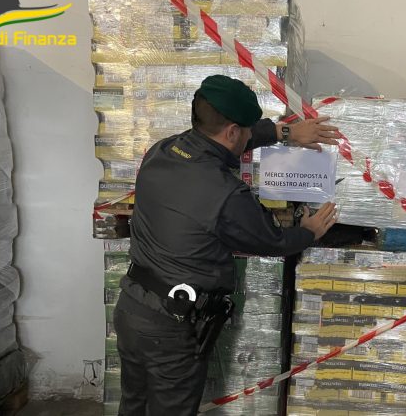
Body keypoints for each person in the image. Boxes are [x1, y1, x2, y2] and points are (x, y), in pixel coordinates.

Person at [114, 74, 340, 415]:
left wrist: (284, 133)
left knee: (133, 405)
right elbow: (272, 241)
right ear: (233, 131)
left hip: (132, 308)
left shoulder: (163, 150)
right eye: (245, 132)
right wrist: (309, 231)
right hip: (172, 327)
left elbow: (222, 142)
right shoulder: (226, 194)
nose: (248, 137)